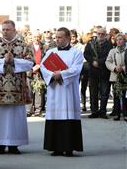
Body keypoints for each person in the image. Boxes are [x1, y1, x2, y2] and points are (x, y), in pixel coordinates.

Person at [0, 20, 34, 154]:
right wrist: (3, 61)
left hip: (17, 88)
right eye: (3, 29)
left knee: (15, 116)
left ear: (14, 30)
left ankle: (14, 144)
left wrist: (14, 61)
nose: (5, 31)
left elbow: (30, 63)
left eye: (8, 29)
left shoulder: (23, 45)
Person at [40, 27, 84, 157]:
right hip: (54, 90)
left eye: (60, 37)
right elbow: (43, 67)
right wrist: (53, 76)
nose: (57, 39)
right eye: (56, 37)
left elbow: (76, 69)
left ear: (68, 38)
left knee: (68, 115)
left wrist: (62, 74)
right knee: (55, 116)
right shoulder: (50, 52)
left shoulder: (76, 53)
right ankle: (56, 147)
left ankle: (69, 147)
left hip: (68, 91)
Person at [84, 27, 113, 119]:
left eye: (102, 34)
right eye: (99, 33)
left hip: (104, 71)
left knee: (104, 92)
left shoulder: (109, 44)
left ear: (105, 34)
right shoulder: (90, 43)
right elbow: (86, 54)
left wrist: (99, 62)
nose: (100, 35)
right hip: (93, 71)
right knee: (93, 92)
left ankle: (103, 111)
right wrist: (92, 61)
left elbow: (109, 56)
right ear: (96, 34)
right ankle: (94, 111)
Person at [105, 33, 127, 121]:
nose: (119, 41)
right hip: (115, 76)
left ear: (124, 41)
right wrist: (114, 67)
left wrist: (123, 68)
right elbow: (108, 62)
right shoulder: (112, 51)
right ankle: (117, 113)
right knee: (116, 95)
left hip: (125, 76)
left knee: (124, 95)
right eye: (117, 40)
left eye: (121, 39)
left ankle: (125, 114)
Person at [28, 30, 46, 117]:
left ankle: (38, 110)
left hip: (40, 72)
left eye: (38, 37)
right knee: (29, 90)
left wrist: (39, 65)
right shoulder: (28, 47)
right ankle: (29, 110)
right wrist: (32, 66)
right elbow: (26, 58)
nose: (36, 39)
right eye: (35, 37)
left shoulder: (44, 47)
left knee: (39, 91)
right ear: (32, 37)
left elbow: (46, 58)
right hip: (30, 71)